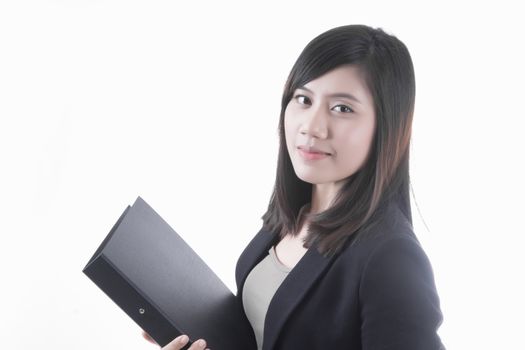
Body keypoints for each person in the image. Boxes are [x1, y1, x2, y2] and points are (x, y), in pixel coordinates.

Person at [144, 24, 445, 350]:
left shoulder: (391, 257)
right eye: (303, 99)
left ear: (387, 126)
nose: (312, 127)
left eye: (342, 108)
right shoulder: (292, 217)